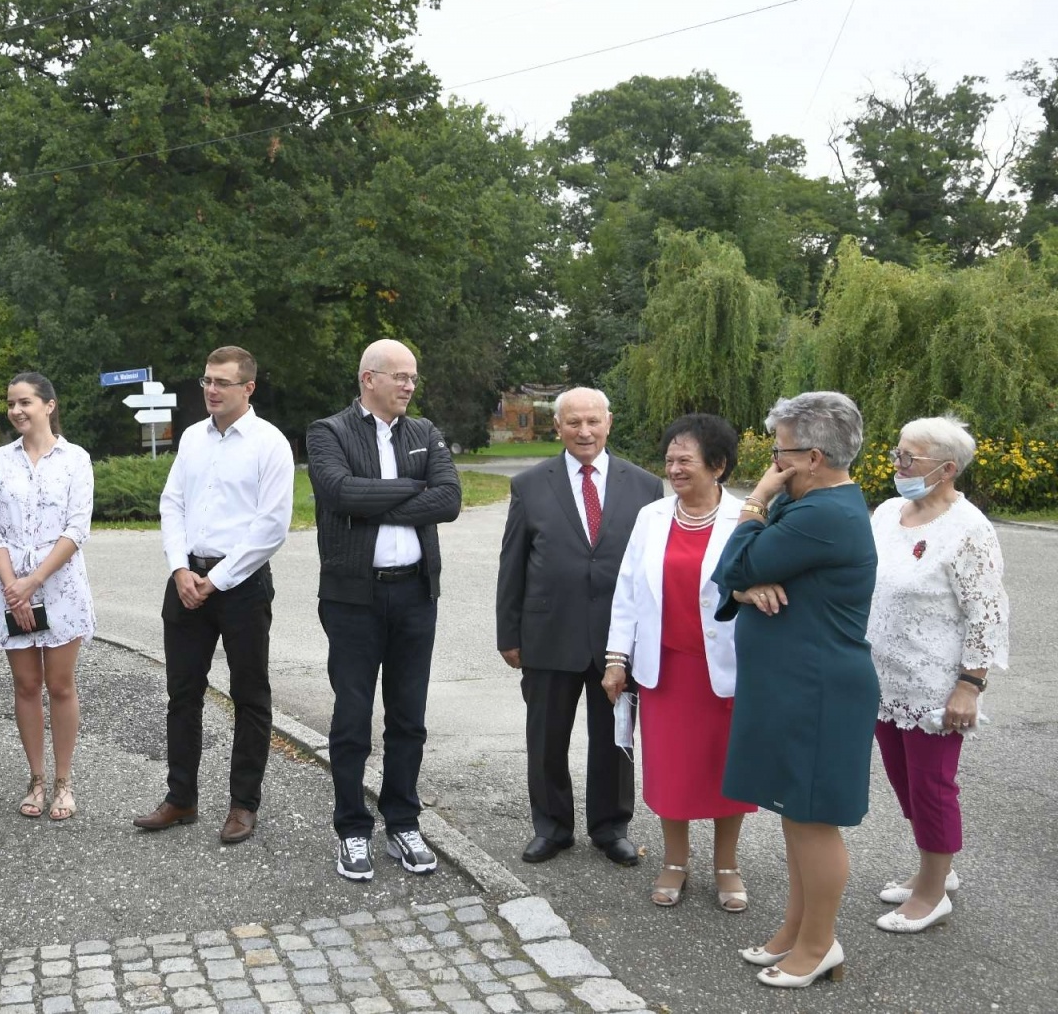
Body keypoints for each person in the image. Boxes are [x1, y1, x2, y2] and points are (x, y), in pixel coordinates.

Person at [711, 391, 877, 989]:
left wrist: (754, 501)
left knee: (814, 820)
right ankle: (794, 931)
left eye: (777, 452)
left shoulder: (824, 513)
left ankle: (819, 945)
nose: (771, 464)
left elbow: (733, 562)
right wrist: (742, 587)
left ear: (809, 456)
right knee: (793, 813)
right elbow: (733, 576)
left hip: (819, 689)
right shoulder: (807, 504)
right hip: (792, 683)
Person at [307, 339, 462, 882]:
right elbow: (337, 492)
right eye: (400, 377)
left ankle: (403, 820)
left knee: (408, 715)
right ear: (368, 378)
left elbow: (449, 500)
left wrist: (375, 499)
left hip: (416, 594)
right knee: (351, 716)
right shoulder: (328, 432)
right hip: (353, 597)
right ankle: (352, 829)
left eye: (413, 378)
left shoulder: (423, 433)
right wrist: (408, 490)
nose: (409, 386)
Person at [495, 387, 663, 867]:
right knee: (546, 737)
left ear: (609, 423)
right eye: (574, 423)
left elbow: (651, 569)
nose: (584, 431)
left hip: (617, 639)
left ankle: (611, 827)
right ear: (558, 426)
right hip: (548, 633)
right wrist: (508, 632)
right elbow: (513, 563)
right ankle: (552, 827)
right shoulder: (530, 485)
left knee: (614, 738)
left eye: (593, 422)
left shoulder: (644, 487)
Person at [133, 346, 293, 844]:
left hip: (242, 585)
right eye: (206, 380)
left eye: (222, 382)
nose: (211, 389)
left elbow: (272, 527)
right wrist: (180, 568)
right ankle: (181, 797)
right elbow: (172, 502)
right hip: (186, 581)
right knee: (182, 694)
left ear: (249, 388)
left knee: (250, 696)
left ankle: (243, 804)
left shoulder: (270, 444)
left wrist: (217, 579)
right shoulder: (191, 439)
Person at [602, 414, 756, 909]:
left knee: (726, 770)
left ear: (718, 466)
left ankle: (727, 866)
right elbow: (627, 590)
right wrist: (615, 658)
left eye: (685, 459)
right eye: (669, 459)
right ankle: (675, 861)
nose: (674, 468)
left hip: (725, 669)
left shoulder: (747, 520)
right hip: (666, 670)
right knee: (671, 771)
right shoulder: (653, 517)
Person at [867, 416, 1009, 933]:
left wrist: (970, 685)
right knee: (905, 783)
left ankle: (932, 892)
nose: (897, 465)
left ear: (947, 469)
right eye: (897, 453)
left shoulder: (968, 528)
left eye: (910, 458)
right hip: (882, 677)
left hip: (933, 684)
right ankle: (934, 867)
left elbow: (986, 612)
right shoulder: (887, 512)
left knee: (931, 785)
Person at [0, 373, 96, 821]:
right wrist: (15, 587)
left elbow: (76, 528)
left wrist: (33, 582)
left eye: (25, 402)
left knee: (61, 684)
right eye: (11, 403)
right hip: (10, 588)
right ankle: (36, 777)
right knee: (27, 685)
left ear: (49, 405)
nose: (16, 411)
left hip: (60, 586)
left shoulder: (76, 459)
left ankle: (64, 781)